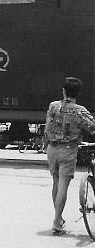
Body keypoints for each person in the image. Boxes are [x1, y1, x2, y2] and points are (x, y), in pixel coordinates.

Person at [45, 77, 95, 235]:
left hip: (52, 149)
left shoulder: (53, 106)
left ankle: (58, 219)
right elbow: (93, 129)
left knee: (56, 183)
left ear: (63, 91)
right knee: (63, 187)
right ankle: (56, 221)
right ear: (78, 93)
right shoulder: (80, 111)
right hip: (68, 150)